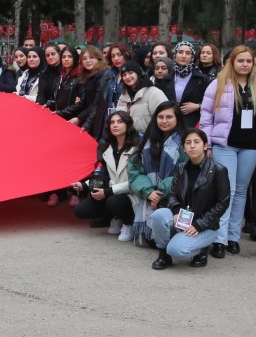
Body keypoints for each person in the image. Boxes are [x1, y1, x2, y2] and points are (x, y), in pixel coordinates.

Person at [200, 44, 256, 256]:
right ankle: (219, 239)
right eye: (241, 60)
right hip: (225, 144)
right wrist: (207, 143)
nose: (245, 64)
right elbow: (206, 115)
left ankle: (233, 236)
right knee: (226, 192)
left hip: (250, 146)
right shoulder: (218, 84)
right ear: (232, 62)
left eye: (249, 61)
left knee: (241, 191)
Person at [149, 129, 232, 270]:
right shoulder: (180, 168)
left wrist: (199, 225)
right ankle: (164, 254)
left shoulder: (218, 170)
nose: (192, 146)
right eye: (188, 143)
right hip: (183, 219)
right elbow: (173, 194)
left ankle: (202, 250)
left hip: (205, 226)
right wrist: (176, 211)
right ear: (184, 148)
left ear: (205, 146)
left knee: (176, 250)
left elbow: (223, 203)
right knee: (158, 215)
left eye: (196, 142)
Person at [72, 111, 139, 240]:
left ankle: (128, 223)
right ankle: (116, 217)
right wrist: (83, 185)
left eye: (120, 122)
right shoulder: (108, 148)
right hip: (112, 191)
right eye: (112, 122)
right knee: (81, 210)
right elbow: (104, 175)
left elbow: (136, 182)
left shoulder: (137, 149)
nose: (115, 125)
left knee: (113, 201)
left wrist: (107, 192)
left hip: (132, 194)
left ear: (128, 125)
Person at [128, 101, 185, 247]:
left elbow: (186, 172)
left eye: (169, 117)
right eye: (160, 117)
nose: (164, 121)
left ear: (177, 118)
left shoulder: (185, 141)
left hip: (176, 195)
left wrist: (161, 191)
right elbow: (135, 171)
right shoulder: (145, 141)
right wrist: (148, 191)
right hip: (150, 194)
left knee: (175, 243)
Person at [116, 61, 165, 136]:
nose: (127, 77)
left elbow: (163, 118)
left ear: (138, 73)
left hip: (149, 138)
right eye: (124, 75)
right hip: (127, 138)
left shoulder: (154, 92)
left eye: (130, 73)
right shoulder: (123, 96)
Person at [169, 42, 211, 131]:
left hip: (192, 124)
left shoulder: (202, 79)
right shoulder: (167, 78)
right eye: (180, 52)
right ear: (175, 55)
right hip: (170, 123)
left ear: (192, 57)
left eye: (188, 53)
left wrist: (198, 106)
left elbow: (212, 102)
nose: (183, 56)